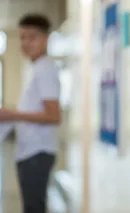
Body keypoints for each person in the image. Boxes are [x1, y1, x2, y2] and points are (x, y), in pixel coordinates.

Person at [0, 14, 60, 213]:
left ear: (45, 39)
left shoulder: (45, 69)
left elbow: (53, 115)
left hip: (37, 152)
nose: (26, 43)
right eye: (22, 37)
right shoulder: (33, 67)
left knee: (34, 208)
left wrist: (14, 115)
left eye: (32, 37)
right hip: (28, 151)